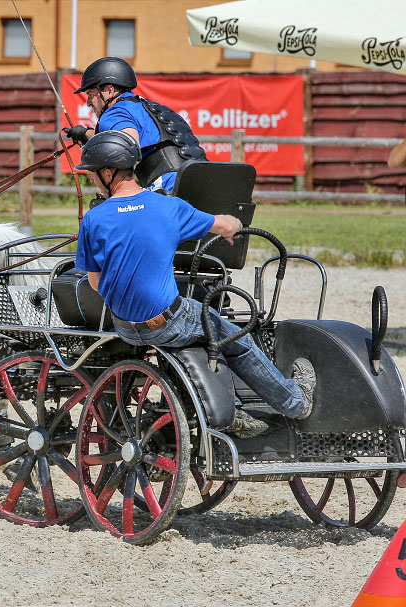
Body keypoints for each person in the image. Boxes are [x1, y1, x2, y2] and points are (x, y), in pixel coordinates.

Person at [74, 130, 316, 438]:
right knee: (235, 338)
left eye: (92, 176)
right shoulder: (167, 208)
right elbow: (225, 224)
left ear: (108, 173)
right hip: (168, 323)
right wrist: (236, 225)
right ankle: (295, 402)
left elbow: (95, 283)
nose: (92, 181)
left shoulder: (94, 220)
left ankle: (216, 404)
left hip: (124, 326)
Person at [64, 57, 207, 192]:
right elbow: (121, 137)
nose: (88, 103)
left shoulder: (114, 113)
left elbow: (125, 149)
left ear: (109, 90)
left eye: (90, 95)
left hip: (171, 188)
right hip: (207, 180)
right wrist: (85, 134)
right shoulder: (147, 107)